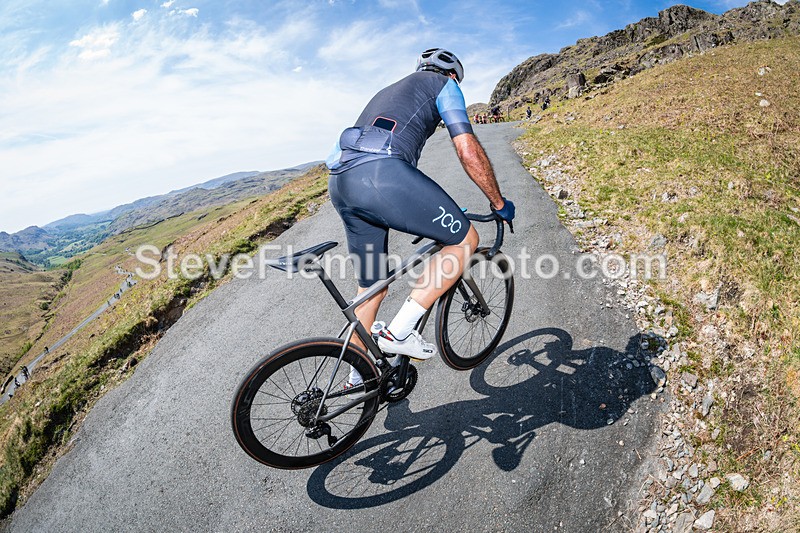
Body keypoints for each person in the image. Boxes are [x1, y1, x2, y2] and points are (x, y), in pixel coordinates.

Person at [326, 48, 515, 383]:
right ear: (453, 73)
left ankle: (357, 379)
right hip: (381, 176)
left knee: (371, 287)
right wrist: (497, 202)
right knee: (465, 240)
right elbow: (466, 147)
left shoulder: (386, 91)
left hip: (341, 182)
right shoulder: (443, 84)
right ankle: (399, 333)